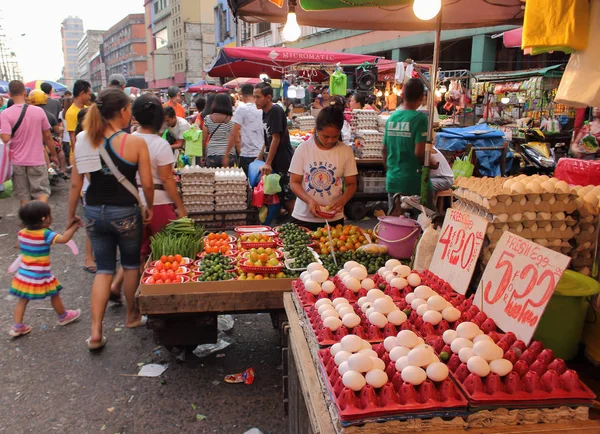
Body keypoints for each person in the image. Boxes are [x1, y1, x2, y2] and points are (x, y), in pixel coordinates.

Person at [67, 88, 154, 350]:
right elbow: (147, 185)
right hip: (125, 212)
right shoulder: (135, 142)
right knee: (129, 266)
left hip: (93, 210)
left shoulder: (84, 139)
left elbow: (75, 185)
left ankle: (95, 332)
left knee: (104, 270)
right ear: (125, 111)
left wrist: (70, 216)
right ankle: (132, 316)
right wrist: (147, 206)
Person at [8, 201, 82, 337]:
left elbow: (19, 245)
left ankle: (17, 326)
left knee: (22, 299)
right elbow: (64, 239)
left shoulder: (22, 233)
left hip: (24, 274)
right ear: (45, 219)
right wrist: (74, 227)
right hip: (40, 274)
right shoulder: (45, 234)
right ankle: (63, 316)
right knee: (55, 293)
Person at [289, 97, 358, 231]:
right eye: (325, 136)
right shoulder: (304, 149)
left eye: (335, 136)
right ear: (317, 130)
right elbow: (294, 182)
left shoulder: (345, 151)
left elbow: (351, 184)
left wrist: (342, 200)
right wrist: (309, 200)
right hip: (304, 217)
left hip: (333, 219)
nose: (330, 140)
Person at [0, 80, 58, 206]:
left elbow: (5, 138)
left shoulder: (5, 114)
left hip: (17, 162)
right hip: (37, 160)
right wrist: (53, 155)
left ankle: (28, 223)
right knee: (42, 192)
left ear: (9, 94)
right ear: (25, 93)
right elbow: (48, 136)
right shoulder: (38, 111)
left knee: (24, 196)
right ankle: (41, 220)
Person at [382, 78, 430, 209]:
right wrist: (431, 163)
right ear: (421, 97)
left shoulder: (392, 117)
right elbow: (419, 153)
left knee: (394, 224)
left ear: (402, 95)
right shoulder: (420, 119)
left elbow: (384, 150)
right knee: (422, 224)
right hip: (413, 181)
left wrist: (390, 171)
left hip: (393, 180)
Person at [254, 82, 295, 213]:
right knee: (278, 194)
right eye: (254, 97)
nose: (255, 100)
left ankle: (298, 223)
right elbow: (268, 139)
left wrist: (267, 163)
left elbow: (276, 138)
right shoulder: (264, 113)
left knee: (288, 195)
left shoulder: (276, 110)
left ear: (268, 97)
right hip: (274, 160)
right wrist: (259, 157)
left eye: (258, 97)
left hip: (283, 159)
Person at [223, 84, 263, 173]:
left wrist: (226, 154)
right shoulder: (262, 109)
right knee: (260, 184)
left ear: (243, 96)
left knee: (246, 184)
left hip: (248, 154)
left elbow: (234, 132)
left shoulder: (242, 109)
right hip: (262, 154)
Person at [28, 89, 68, 177]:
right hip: (46, 144)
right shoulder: (49, 115)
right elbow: (52, 133)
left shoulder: (27, 114)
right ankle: (63, 170)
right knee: (60, 152)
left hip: (32, 144)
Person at [203, 93, 235, 168]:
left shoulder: (208, 119)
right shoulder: (232, 120)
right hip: (229, 155)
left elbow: (203, 140)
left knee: (212, 178)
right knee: (229, 179)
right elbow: (236, 139)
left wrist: (203, 155)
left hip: (212, 154)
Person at [65, 79, 92, 149]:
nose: (89, 97)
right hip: (80, 151)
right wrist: (76, 156)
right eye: (88, 94)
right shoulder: (71, 113)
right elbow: (73, 137)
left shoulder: (88, 109)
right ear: (82, 94)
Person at [60, 97, 73, 166]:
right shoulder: (73, 112)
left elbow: (61, 126)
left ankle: (69, 166)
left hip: (65, 136)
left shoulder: (61, 113)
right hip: (73, 135)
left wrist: (60, 137)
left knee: (67, 154)